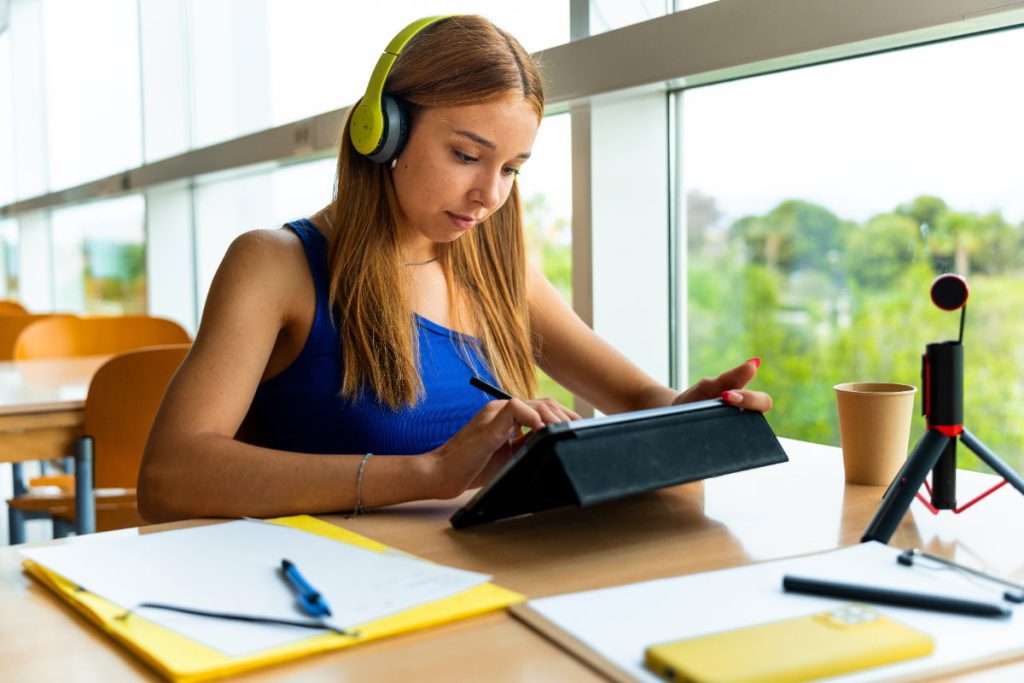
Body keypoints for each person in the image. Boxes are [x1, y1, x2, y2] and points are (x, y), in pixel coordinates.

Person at [138, 15, 772, 522]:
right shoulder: (274, 265)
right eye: (467, 154)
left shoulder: (501, 267)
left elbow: (634, 397)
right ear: (381, 132)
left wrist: (685, 415)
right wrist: (429, 473)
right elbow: (171, 476)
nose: (489, 195)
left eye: (512, 168)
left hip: (472, 583)